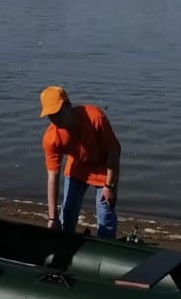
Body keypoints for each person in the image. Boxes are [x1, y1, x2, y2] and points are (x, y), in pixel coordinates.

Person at [40, 86, 121, 238]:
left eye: (57, 113)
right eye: (50, 115)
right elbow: (52, 177)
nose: (55, 119)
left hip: (104, 168)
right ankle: (65, 245)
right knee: (67, 214)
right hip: (78, 167)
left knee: (106, 216)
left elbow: (114, 150)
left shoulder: (94, 116)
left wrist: (110, 185)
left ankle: (105, 249)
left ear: (68, 105)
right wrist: (52, 217)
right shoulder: (51, 138)